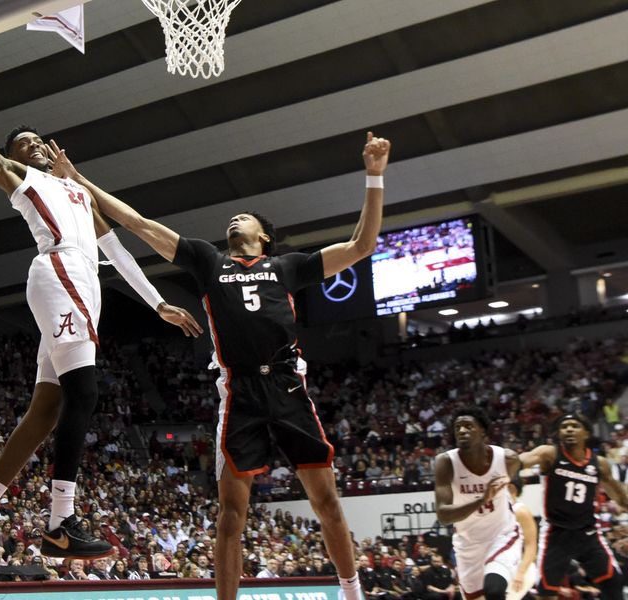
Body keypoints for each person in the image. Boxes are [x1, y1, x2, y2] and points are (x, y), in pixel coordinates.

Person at [48, 130, 390, 600]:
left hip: (288, 388)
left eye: (245, 217)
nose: (235, 217)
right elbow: (138, 222)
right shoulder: (208, 261)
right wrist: (78, 179)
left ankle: (352, 593)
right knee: (231, 513)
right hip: (241, 393)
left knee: (326, 501)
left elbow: (362, 244)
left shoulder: (288, 266)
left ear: (263, 237)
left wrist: (374, 177)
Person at [0, 88, 201, 573]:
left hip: (85, 283)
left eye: (38, 140)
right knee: (85, 393)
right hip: (58, 272)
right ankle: (61, 522)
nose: (35, 146)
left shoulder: (78, 190)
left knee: (47, 408)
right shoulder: (23, 178)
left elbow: (116, 251)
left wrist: (157, 301)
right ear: (16, 157)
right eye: (24, 143)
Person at [519, 413, 628, 600]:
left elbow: (619, 496)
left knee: (614, 583)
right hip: (556, 533)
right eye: (564, 426)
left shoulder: (599, 463)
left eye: (574, 426)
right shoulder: (549, 453)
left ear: (586, 433)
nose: (569, 429)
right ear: (559, 433)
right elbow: (520, 460)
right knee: (546, 592)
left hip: (588, 533)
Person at [434, 406, 521, 600]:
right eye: (458, 427)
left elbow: (527, 461)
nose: (462, 431)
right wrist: (481, 499)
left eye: (468, 426)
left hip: (502, 536)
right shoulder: (446, 462)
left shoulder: (506, 459)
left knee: (495, 590)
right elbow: (443, 516)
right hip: (468, 545)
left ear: (483, 431)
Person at [505, 477, 537, 600]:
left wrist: (520, 573)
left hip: (521, 568)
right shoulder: (498, 511)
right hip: (503, 565)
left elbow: (531, 546)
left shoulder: (520, 511)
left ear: (511, 488)